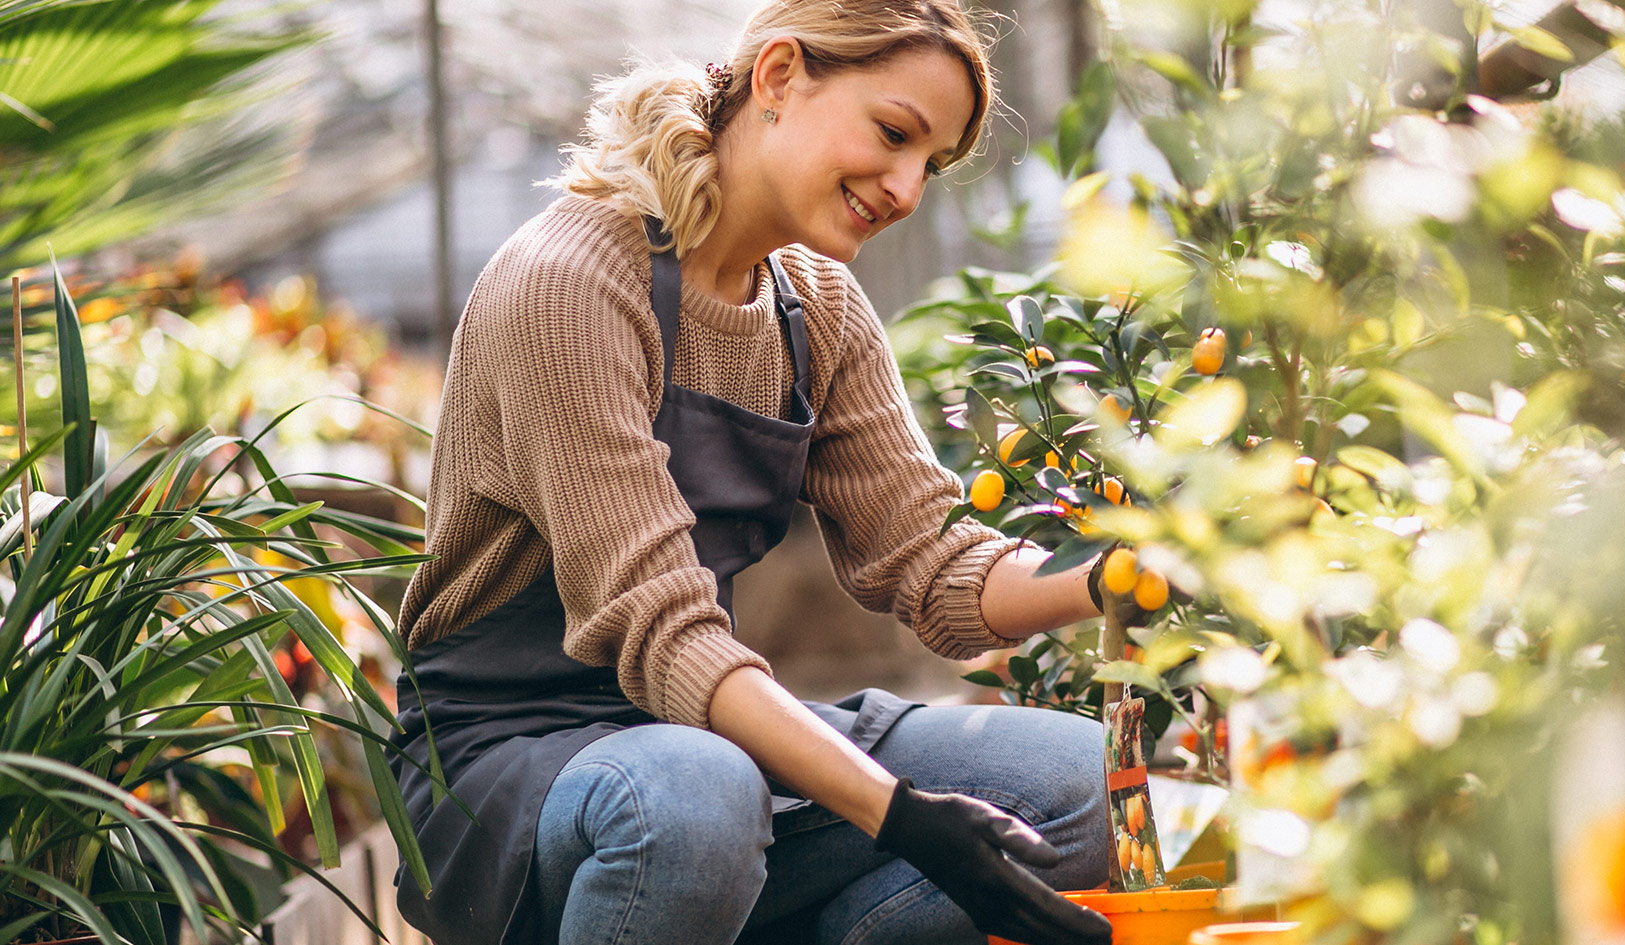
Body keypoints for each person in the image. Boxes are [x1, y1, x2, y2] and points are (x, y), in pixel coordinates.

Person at [387, 2, 1120, 944]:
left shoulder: (815, 306)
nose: (904, 188)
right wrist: (901, 815)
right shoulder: (571, 285)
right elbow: (666, 633)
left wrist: (1124, 568)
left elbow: (935, 564)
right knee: (693, 801)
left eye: (928, 164)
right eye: (893, 134)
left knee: (1076, 786)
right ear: (778, 76)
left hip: (699, 733)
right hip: (509, 760)